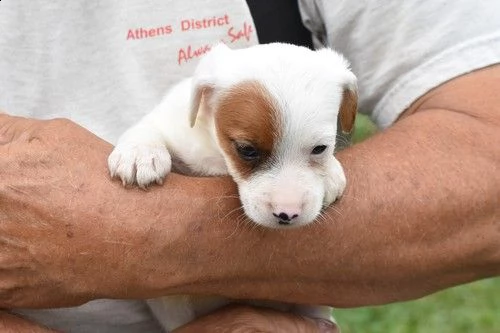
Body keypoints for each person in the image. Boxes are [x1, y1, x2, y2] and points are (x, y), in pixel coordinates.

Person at [1, 0, 499, 332]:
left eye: (318, 150)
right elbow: (156, 131)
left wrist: (132, 238)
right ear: (203, 101)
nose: (287, 203)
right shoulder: (195, 103)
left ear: (346, 108)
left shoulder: (325, 79)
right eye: (251, 153)